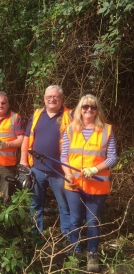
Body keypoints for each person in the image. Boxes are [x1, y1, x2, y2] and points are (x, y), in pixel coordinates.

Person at [60, 94, 117, 272]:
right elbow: (64, 156)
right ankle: (75, 253)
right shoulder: (69, 129)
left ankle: (92, 254)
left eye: (92, 107)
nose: (89, 110)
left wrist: (95, 170)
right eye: (85, 107)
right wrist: (68, 174)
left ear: (97, 109)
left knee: (92, 221)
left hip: (97, 186)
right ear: (79, 109)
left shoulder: (107, 130)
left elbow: (113, 158)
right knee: (75, 220)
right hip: (74, 185)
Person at [20, 85, 72, 237]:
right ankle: (35, 236)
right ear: (44, 98)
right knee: (35, 204)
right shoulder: (36, 115)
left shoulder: (70, 116)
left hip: (60, 171)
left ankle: (68, 237)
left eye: (55, 97)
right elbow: (26, 138)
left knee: (65, 206)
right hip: (37, 170)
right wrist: (23, 160)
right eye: (49, 97)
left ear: (61, 99)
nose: (52, 99)